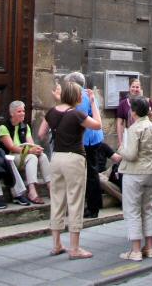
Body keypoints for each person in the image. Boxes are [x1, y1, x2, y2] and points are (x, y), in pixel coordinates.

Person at [38, 82, 101, 260]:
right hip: (74, 158)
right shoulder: (77, 114)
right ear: (76, 97)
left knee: (57, 199)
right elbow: (97, 125)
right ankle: (75, 248)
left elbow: (42, 134)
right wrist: (93, 102)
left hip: (56, 158)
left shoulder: (51, 112)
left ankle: (57, 244)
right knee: (75, 200)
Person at [117, 97, 152, 262]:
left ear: (133, 112)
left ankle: (135, 250)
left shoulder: (134, 129)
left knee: (133, 210)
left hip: (134, 173)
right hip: (150, 171)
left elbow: (131, 154)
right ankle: (149, 248)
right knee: (147, 209)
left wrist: (121, 148)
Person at [64, 72, 104, 219]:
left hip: (87, 139)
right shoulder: (88, 94)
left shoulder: (80, 97)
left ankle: (93, 207)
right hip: (93, 138)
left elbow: (77, 118)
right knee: (92, 172)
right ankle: (94, 205)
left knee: (90, 174)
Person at [0, 100, 51, 204]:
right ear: (12, 113)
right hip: (10, 159)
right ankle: (32, 190)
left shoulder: (25, 126)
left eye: (23, 111)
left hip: (23, 155)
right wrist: (30, 151)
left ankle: (50, 186)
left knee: (43, 156)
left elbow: (31, 144)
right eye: (19, 111)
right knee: (32, 157)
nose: (22, 113)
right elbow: (12, 147)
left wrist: (36, 149)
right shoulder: (4, 127)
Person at [116, 78, 142, 147]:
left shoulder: (146, 102)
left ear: (140, 88)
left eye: (137, 87)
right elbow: (120, 124)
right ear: (129, 88)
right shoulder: (123, 103)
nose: (135, 89)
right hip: (129, 135)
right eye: (133, 87)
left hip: (143, 134)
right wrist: (120, 141)